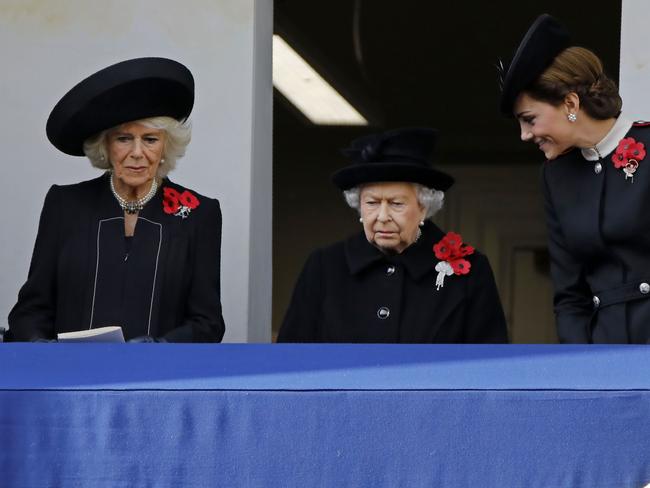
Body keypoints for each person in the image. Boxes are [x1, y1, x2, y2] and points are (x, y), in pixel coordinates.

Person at [7, 57, 225, 342]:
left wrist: (160, 348)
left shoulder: (198, 214)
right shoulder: (65, 205)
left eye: (150, 139)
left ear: (165, 147)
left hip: (157, 379)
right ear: (105, 146)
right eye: (123, 138)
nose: (137, 152)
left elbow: (207, 322)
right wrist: (42, 349)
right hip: (70, 378)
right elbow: (31, 311)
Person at [277, 128, 508, 343]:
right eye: (372, 203)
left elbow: (488, 366)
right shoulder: (325, 266)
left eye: (396, 204)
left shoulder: (469, 270)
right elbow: (291, 360)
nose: (382, 216)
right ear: (359, 206)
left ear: (423, 208)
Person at [500, 14, 650, 343]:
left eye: (530, 119)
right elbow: (569, 296)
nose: (525, 135)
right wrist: (581, 370)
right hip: (603, 356)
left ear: (570, 102)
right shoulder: (556, 176)